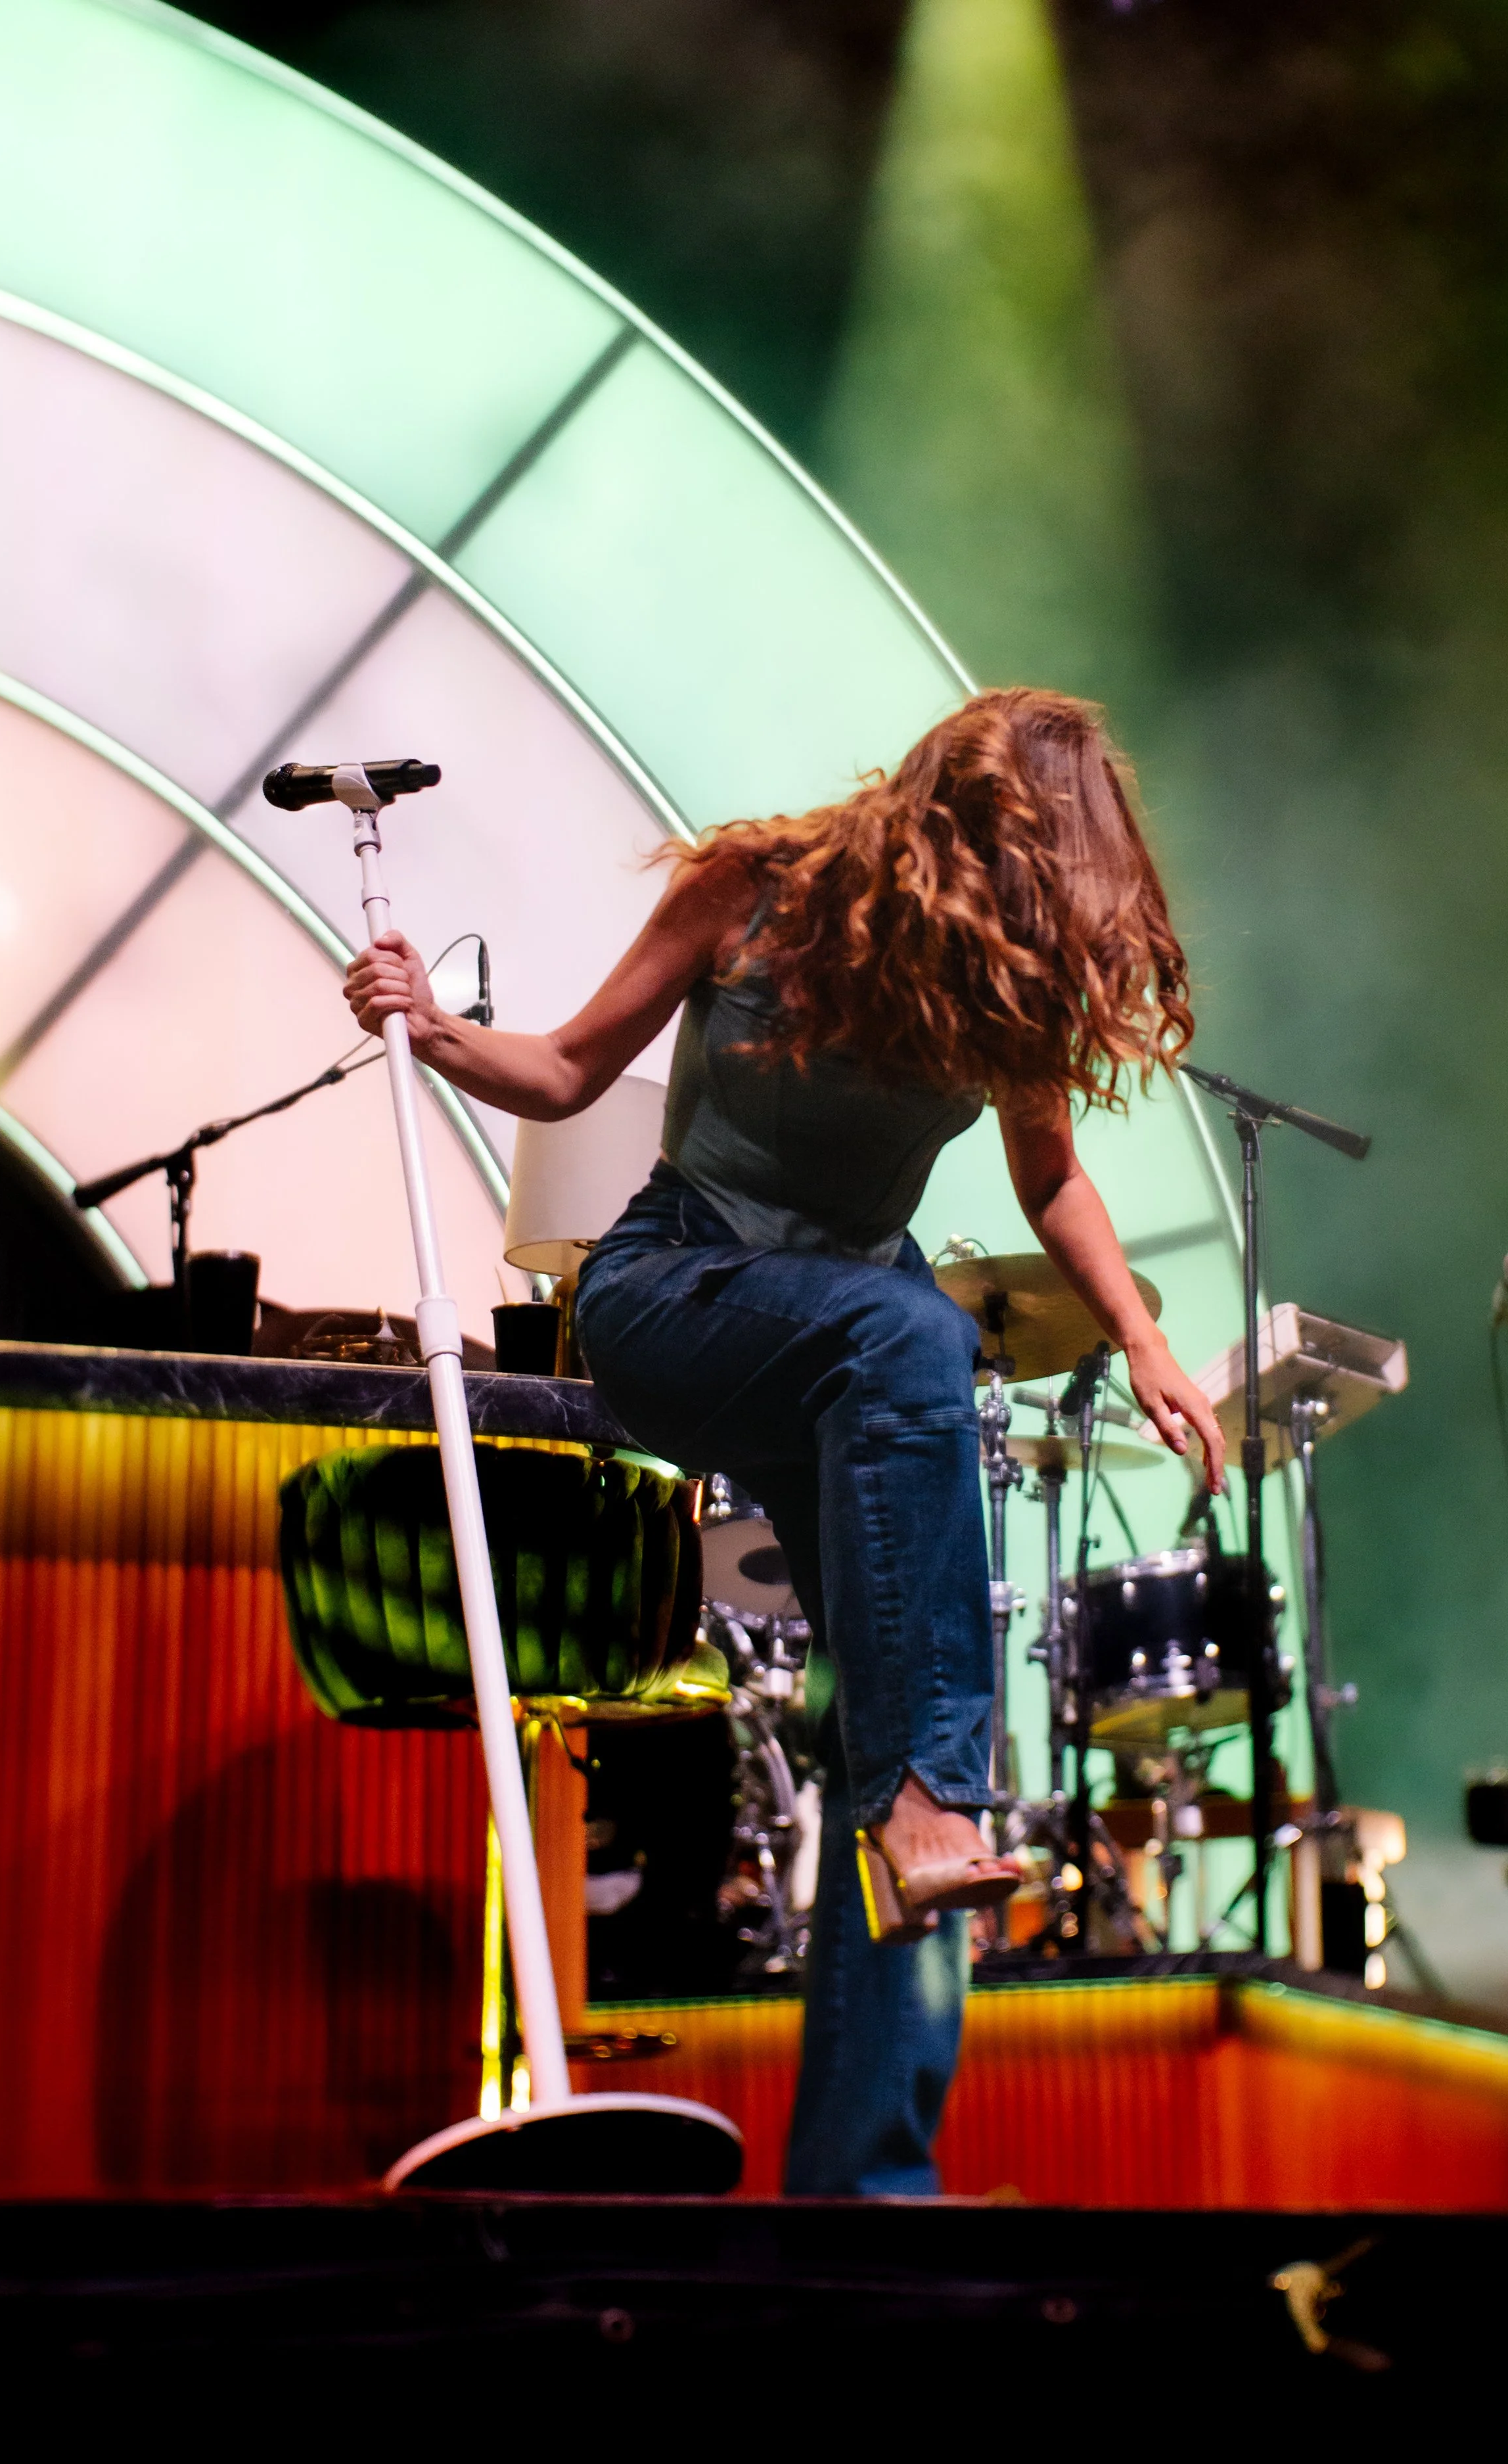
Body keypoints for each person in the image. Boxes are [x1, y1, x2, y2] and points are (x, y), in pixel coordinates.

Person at [345, 685, 1226, 2195]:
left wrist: (1145, 1338)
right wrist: (428, 1028)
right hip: (674, 1287)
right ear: (955, 835)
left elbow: (1049, 1180)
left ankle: (865, 2178)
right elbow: (562, 1073)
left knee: (887, 1741)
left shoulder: (994, 987)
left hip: (844, 1336)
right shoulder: (753, 894)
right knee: (914, 1335)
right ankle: (929, 1799)